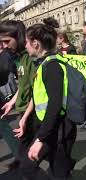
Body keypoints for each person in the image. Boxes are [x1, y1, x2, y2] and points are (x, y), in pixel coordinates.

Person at [20, 17, 76, 180]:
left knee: (29, 166)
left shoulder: (51, 66)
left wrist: (40, 138)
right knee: (59, 172)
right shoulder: (45, 63)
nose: (25, 46)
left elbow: (54, 105)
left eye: (27, 42)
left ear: (36, 43)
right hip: (52, 128)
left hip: (58, 130)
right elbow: (39, 98)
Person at [0, 20, 35, 170]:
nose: (4, 46)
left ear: (18, 37)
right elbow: (22, 84)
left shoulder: (30, 57)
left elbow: (35, 90)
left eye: (7, 41)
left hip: (34, 113)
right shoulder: (18, 58)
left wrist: (26, 116)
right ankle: (22, 160)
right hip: (24, 110)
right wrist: (12, 102)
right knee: (25, 150)